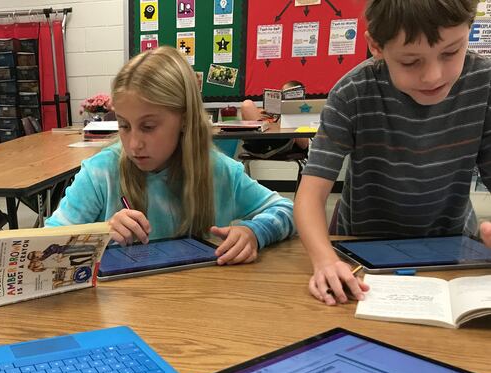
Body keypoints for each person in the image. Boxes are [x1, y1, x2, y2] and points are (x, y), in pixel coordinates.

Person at [294, 0, 491, 306]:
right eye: (411, 61)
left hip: (454, 248)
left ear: (470, 28)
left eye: (451, 52)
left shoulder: (485, 84)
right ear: (376, 45)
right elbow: (309, 196)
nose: (433, 76)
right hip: (360, 251)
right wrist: (323, 260)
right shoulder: (352, 93)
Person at [46, 46, 295, 264]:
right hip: (123, 309)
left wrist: (254, 232)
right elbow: (46, 243)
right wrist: (100, 234)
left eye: (148, 127)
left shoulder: (218, 171)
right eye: (124, 125)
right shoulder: (101, 173)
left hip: (197, 304)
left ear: (184, 120)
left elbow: (288, 210)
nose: (133, 144)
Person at [240, 80, 310, 155]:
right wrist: (263, 117)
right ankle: (263, 141)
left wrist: (288, 116)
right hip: (262, 139)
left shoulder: (301, 116)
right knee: (247, 104)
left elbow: (304, 145)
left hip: (283, 143)